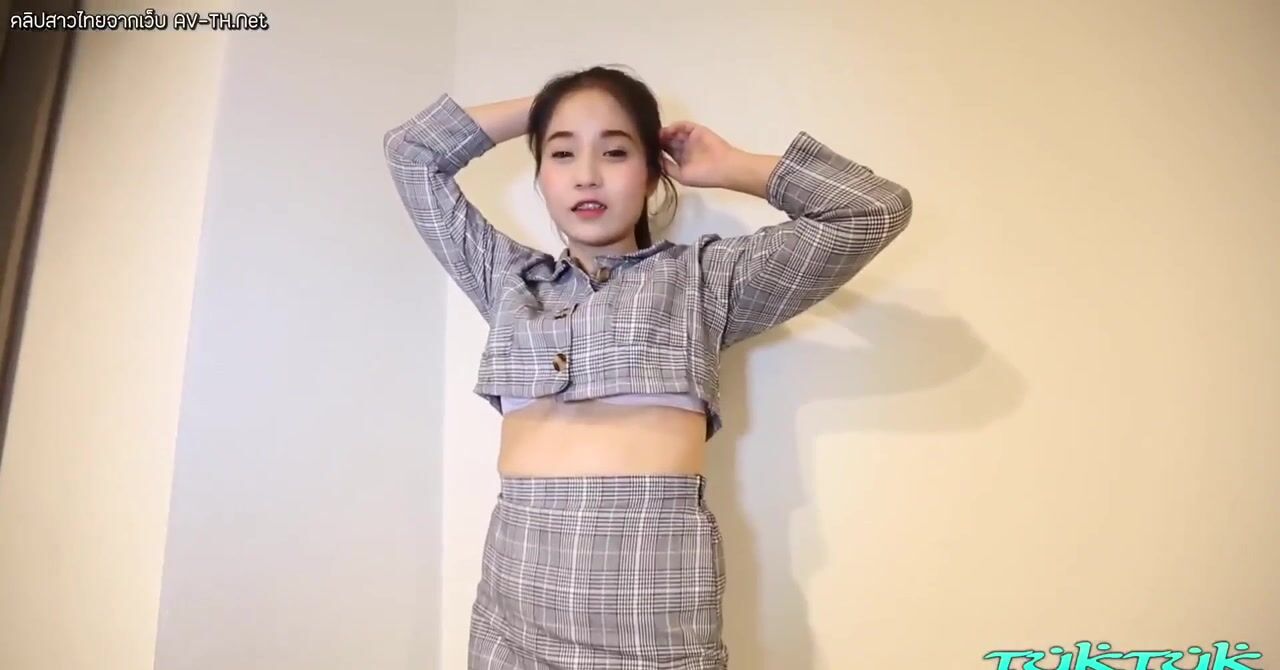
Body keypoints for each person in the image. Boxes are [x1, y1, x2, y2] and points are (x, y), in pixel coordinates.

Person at [382, 65, 913, 669]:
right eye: (561, 153)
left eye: (615, 150)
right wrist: (558, 103)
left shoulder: (705, 280)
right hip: (511, 611)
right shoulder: (509, 281)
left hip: (651, 614)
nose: (586, 174)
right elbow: (412, 153)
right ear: (541, 175)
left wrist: (731, 166)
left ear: (652, 172)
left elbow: (872, 210)